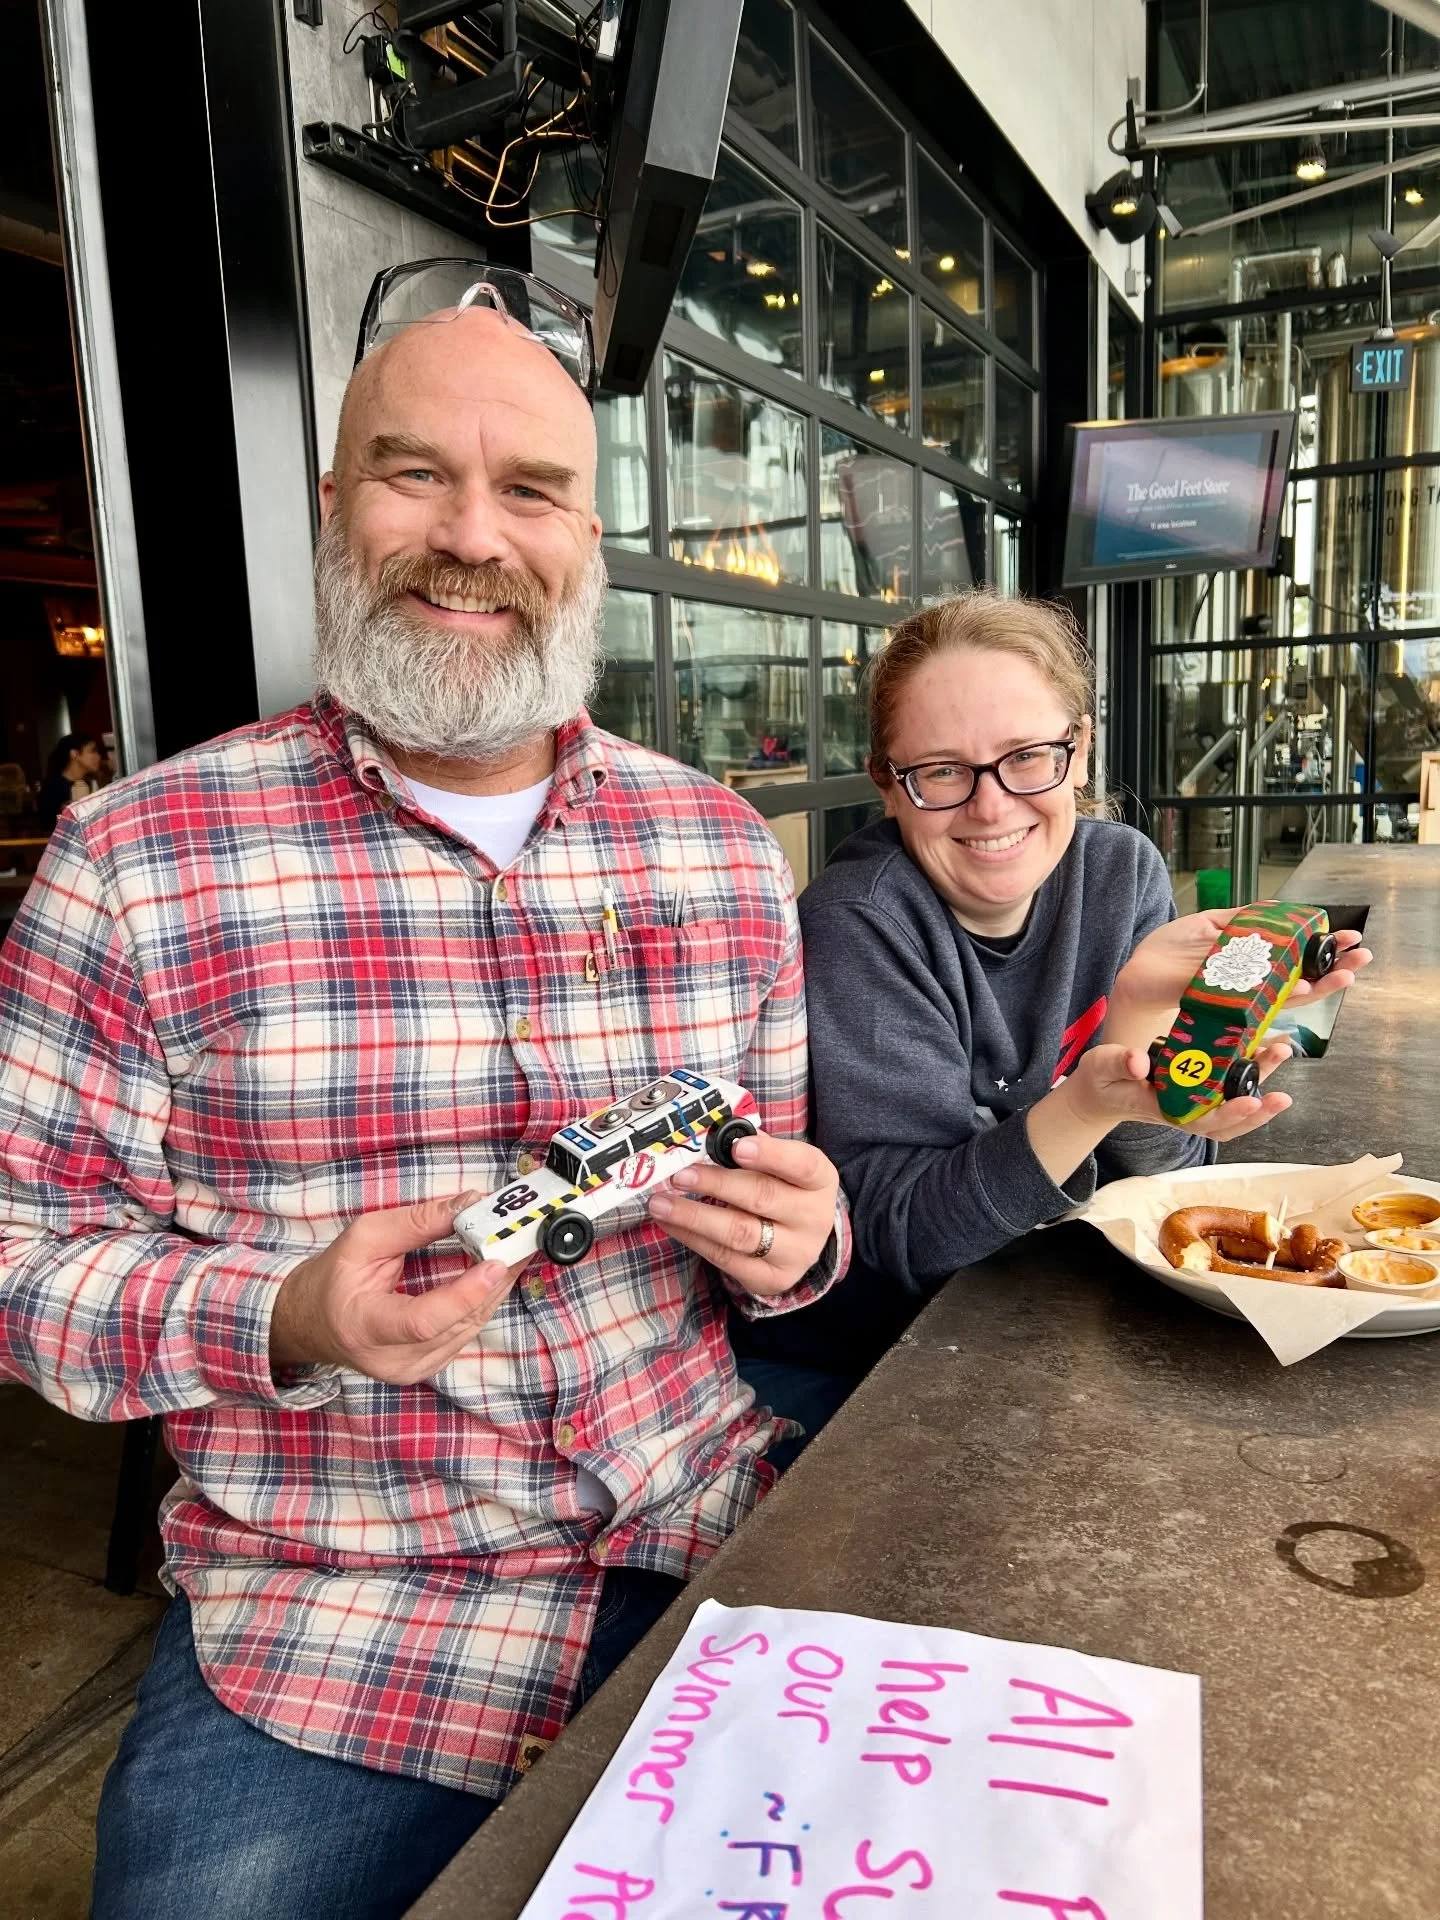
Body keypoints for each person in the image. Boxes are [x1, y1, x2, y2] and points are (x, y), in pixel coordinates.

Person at [0, 270, 847, 1920]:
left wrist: (800, 1245)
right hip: (339, 1623)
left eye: (529, 488)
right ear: (333, 504)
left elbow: (780, 1198)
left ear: (586, 536)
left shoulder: (721, 847)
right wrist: (287, 1314)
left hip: (709, 1538)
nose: (472, 535)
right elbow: (22, 1271)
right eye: (415, 473)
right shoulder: (132, 864)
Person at [733, 590, 1368, 1387]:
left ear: (1082, 749)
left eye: (1028, 755)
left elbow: (1165, 1181)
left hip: (1070, 1325)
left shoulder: (1121, 872)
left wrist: (1138, 1021)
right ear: (889, 785)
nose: (991, 805)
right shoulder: (862, 922)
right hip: (884, 1366)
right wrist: (1085, 1107)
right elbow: (905, 1238)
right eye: (942, 770)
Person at [36, 729, 103, 829]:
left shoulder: (91, 783)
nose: (98, 757)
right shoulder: (54, 787)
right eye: (92, 751)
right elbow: (48, 823)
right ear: (74, 754)